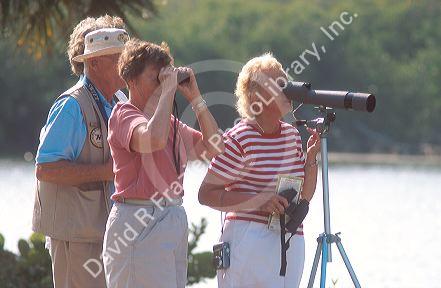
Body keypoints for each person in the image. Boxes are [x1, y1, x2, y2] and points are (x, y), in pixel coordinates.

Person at [102, 38, 224, 288]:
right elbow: (153, 139)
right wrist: (168, 89)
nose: (161, 84)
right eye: (154, 78)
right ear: (132, 80)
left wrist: (196, 98)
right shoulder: (124, 114)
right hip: (138, 221)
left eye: (164, 77)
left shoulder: (168, 122)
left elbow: (215, 148)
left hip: (171, 217)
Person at [198, 53, 320, 288]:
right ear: (257, 96)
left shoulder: (292, 135)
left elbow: (304, 195)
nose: (288, 90)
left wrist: (311, 160)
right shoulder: (239, 138)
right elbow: (206, 194)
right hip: (249, 240)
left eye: (287, 82)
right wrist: (259, 201)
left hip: (290, 238)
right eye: (279, 84)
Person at [32, 16, 129, 288]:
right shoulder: (71, 105)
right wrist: (107, 171)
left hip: (108, 231)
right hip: (76, 237)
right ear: (93, 62)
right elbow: (45, 169)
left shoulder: (120, 100)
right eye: (117, 58)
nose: (126, 64)